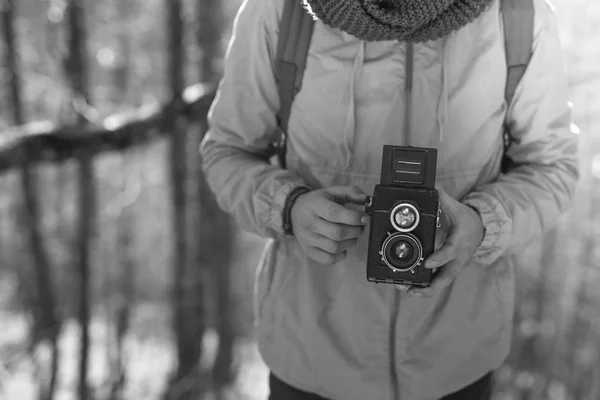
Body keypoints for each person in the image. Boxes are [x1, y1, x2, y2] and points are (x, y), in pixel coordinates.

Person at [200, 0, 579, 398]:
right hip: (311, 359)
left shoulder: (518, 14)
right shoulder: (280, 10)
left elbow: (552, 166)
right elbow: (227, 151)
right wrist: (289, 207)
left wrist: (484, 224)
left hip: (456, 361)